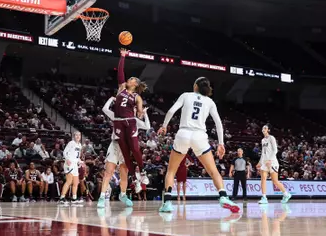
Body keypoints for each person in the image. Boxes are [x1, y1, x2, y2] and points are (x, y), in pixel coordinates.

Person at [157, 77, 239, 213]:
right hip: (199, 137)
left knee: (171, 171)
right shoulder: (210, 102)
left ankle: (167, 203)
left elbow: (171, 111)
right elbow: (218, 123)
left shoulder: (186, 95)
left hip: (183, 134)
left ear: (195, 86)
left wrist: (164, 126)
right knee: (213, 171)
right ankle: (223, 196)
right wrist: (221, 143)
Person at [97, 96, 151, 209]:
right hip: (115, 146)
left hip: (126, 149)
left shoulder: (135, 121)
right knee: (108, 172)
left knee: (124, 174)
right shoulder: (118, 116)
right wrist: (111, 99)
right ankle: (102, 197)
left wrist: (145, 113)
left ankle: (123, 195)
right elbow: (105, 109)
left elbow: (147, 126)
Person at [113, 48, 148, 172]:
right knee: (125, 151)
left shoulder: (137, 97)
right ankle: (133, 176)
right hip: (117, 121)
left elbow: (139, 114)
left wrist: (141, 112)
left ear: (135, 84)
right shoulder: (122, 88)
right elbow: (120, 73)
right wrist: (123, 56)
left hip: (130, 121)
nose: (129, 79)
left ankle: (142, 170)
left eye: (132, 78)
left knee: (134, 148)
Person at [257, 125, 291, 204]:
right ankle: (264, 198)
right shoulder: (262, 140)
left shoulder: (271, 138)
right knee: (263, 180)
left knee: (275, 181)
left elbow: (275, 150)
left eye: (265, 128)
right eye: (262, 128)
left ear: (268, 130)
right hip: (265, 162)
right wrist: (260, 162)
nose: (263, 129)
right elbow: (263, 153)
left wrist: (270, 160)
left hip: (272, 162)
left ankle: (286, 194)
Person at [58, 131, 83, 205]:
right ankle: (62, 198)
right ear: (74, 136)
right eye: (76, 135)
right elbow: (64, 152)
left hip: (75, 165)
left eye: (79, 135)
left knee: (76, 182)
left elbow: (77, 156)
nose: (78, 136)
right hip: (69, 164)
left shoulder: (80, 145)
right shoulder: (71, 143)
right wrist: (67, 159)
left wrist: (80, 161)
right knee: (69, 181)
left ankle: (74, 199)